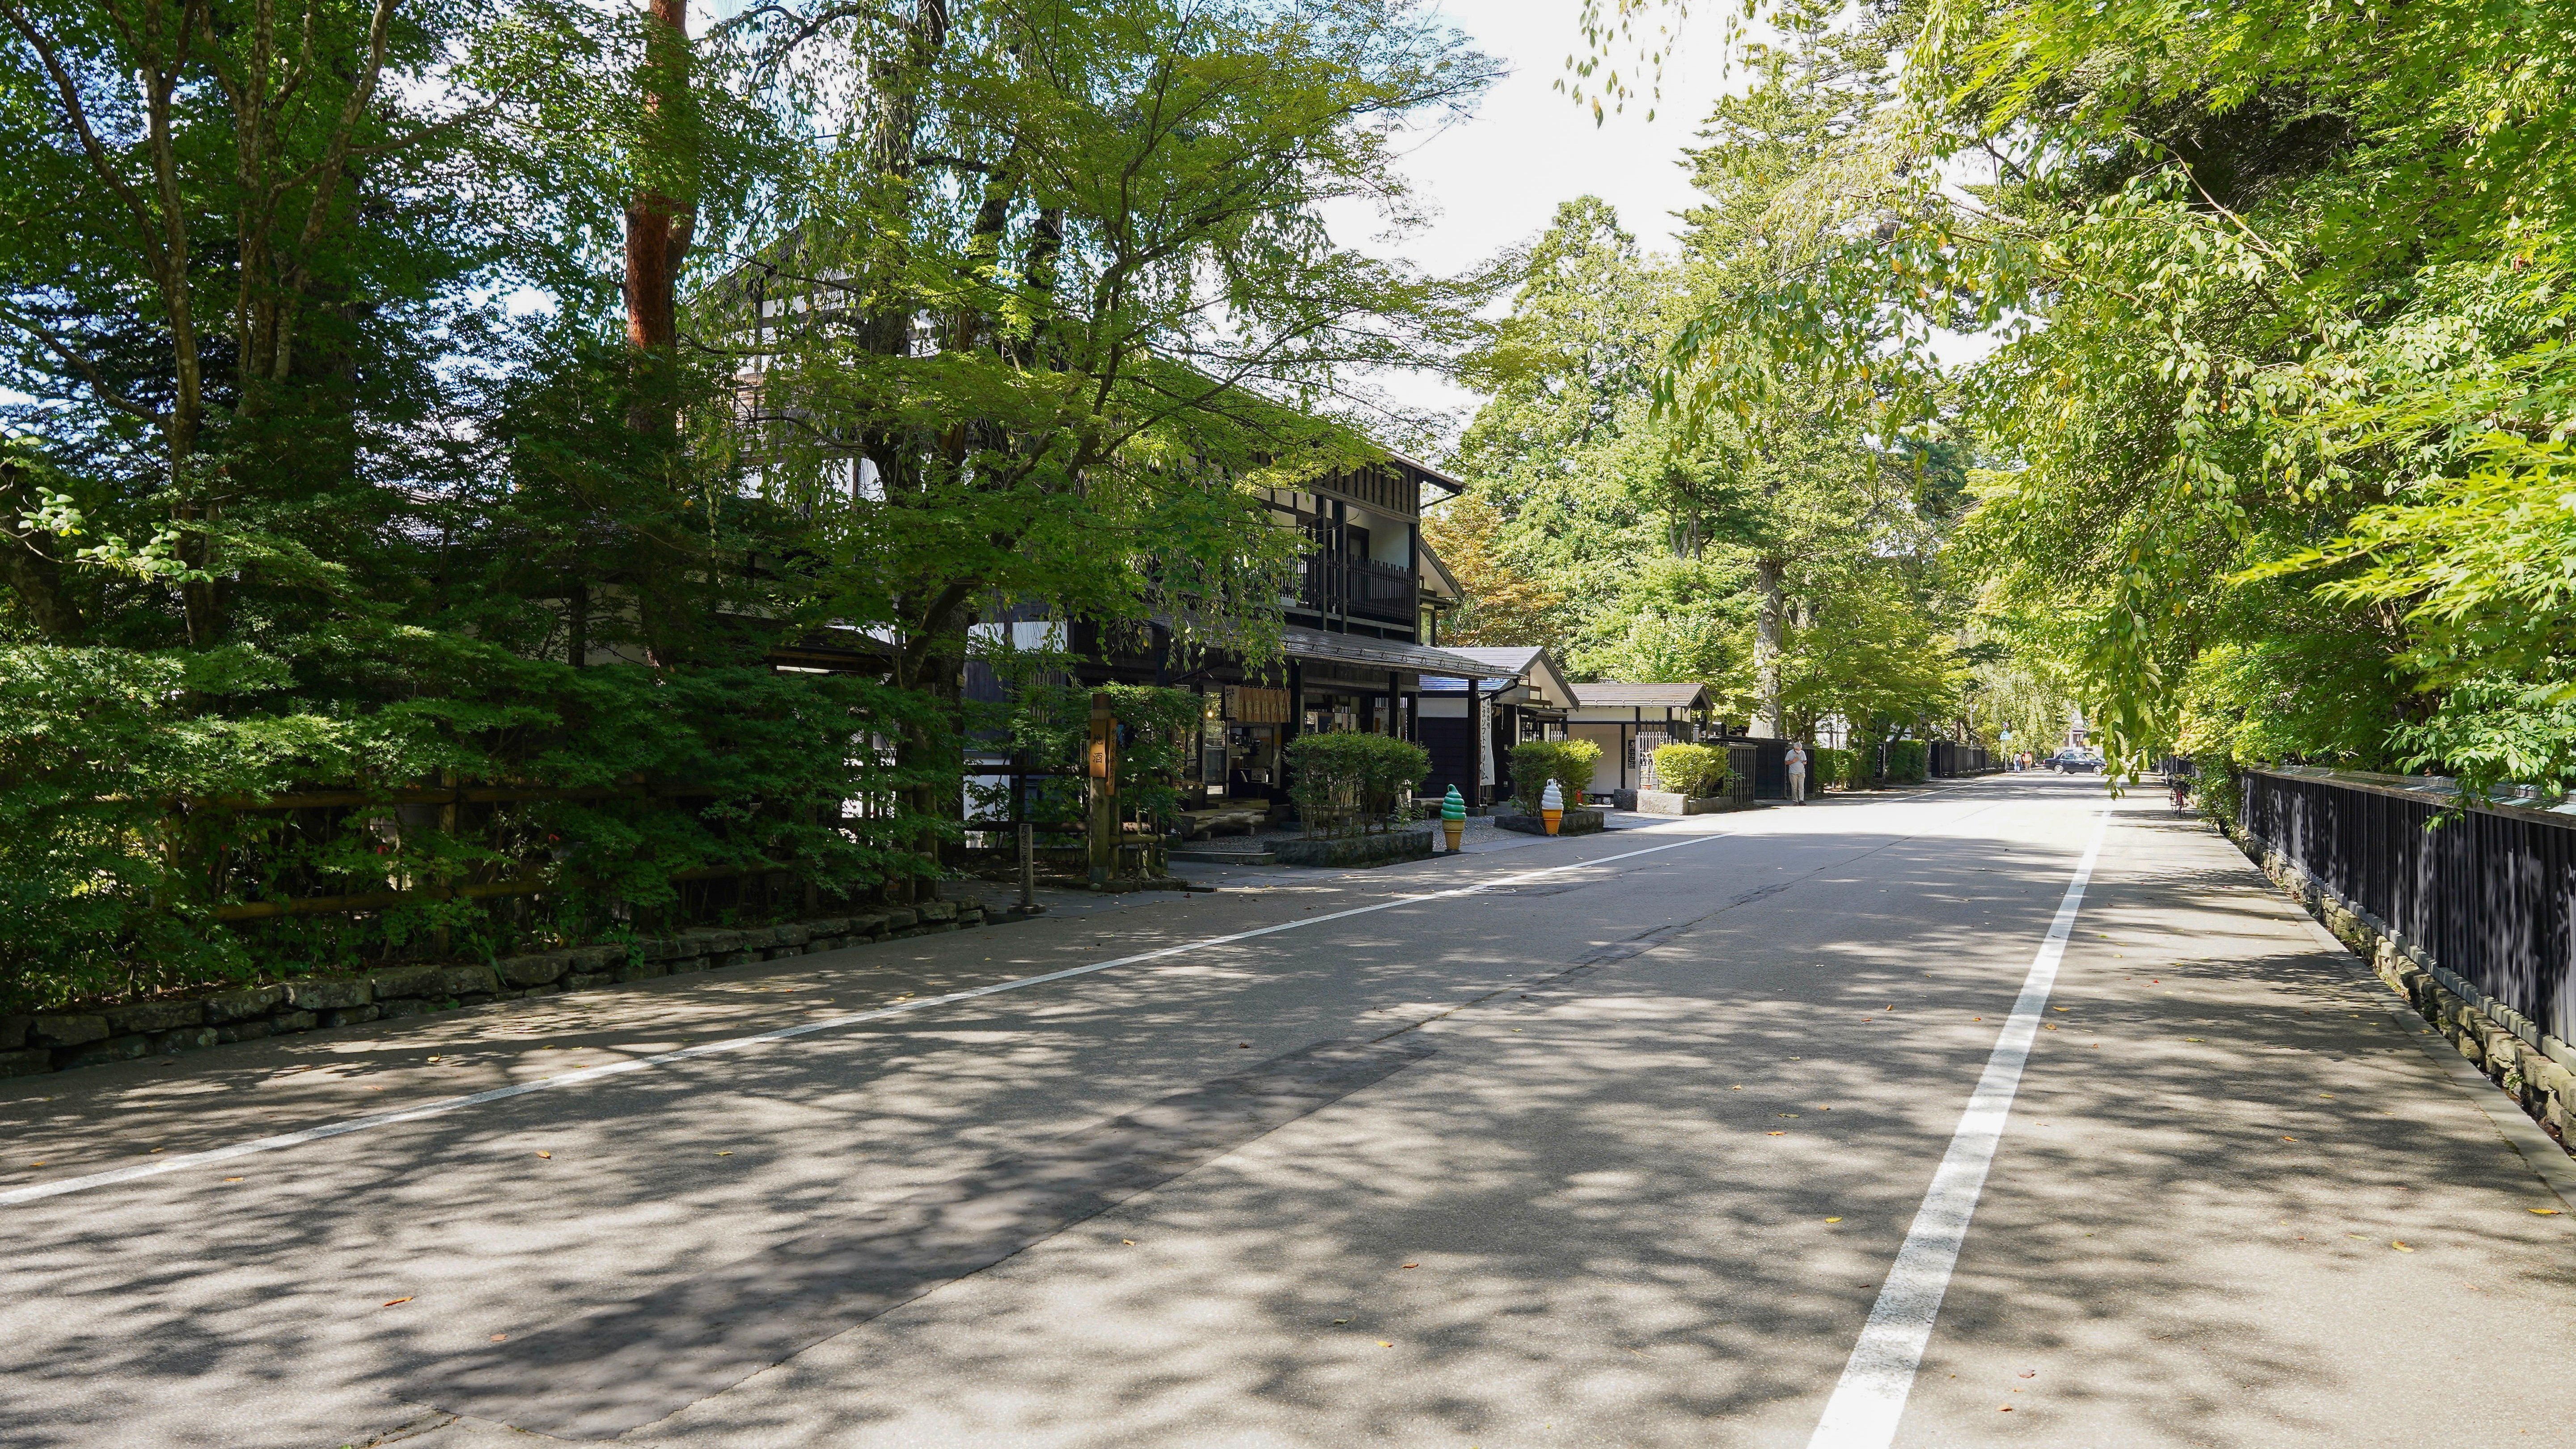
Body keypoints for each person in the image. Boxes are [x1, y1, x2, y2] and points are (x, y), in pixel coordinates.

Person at [1785, 739, 1809, 804]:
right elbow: (1786, 762)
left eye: (1800, 749)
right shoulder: (1790, 753)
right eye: (1797, 749)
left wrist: (1805, 763)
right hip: (1793, 773)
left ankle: (1801, 800)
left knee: (1801, 787)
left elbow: (1805, 761)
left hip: (1802, 772)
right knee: (1794, 787)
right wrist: (1793, 761)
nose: (1798, 751)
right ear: (1794, 748)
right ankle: (1795, 800)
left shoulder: (1802, 753)